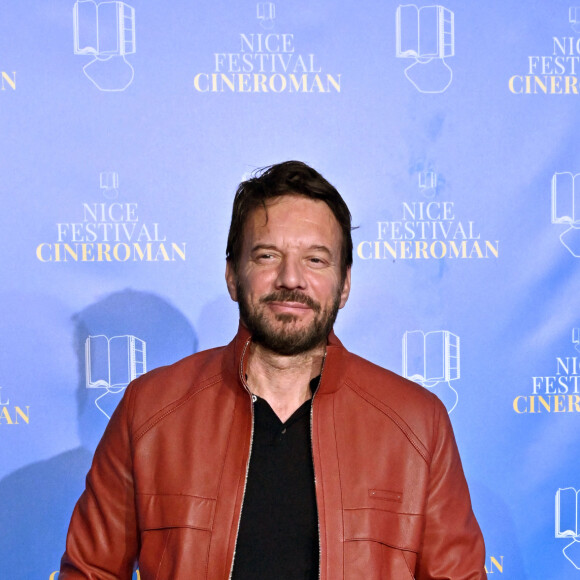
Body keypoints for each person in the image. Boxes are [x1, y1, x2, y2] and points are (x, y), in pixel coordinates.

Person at [60, 161, 487, 579]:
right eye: (267, 255)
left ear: (345, 284)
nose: (290, 278)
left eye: (316, 260)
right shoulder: (149, 410)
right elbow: (90, 572)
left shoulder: (417, 424)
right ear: (232, 275)